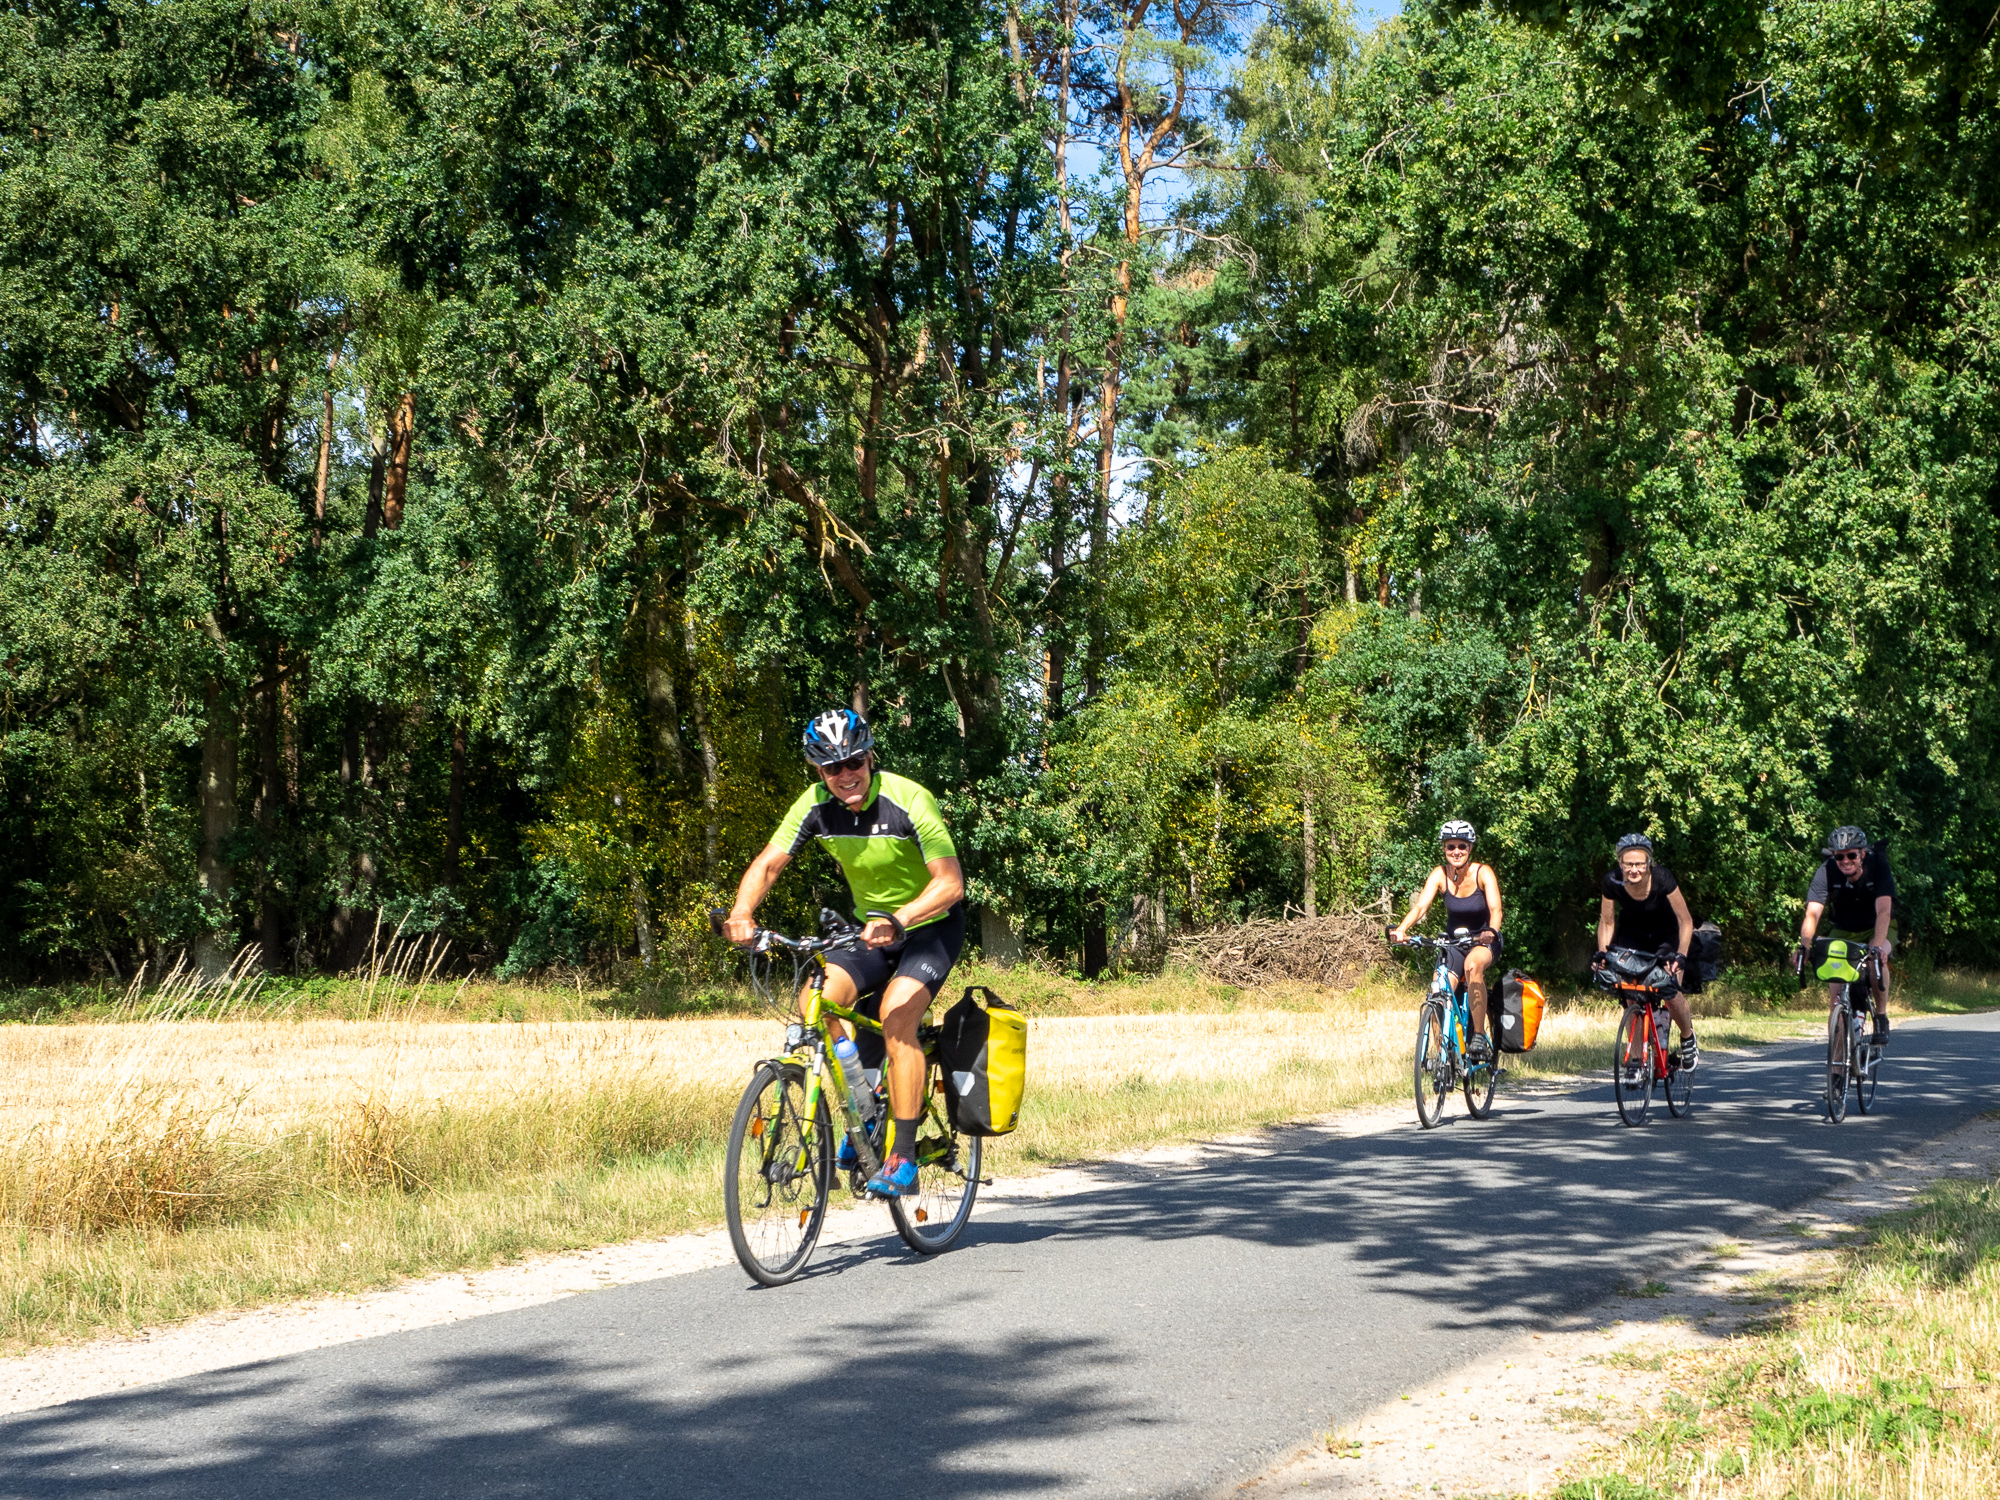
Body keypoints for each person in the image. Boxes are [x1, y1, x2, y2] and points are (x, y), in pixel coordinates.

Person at [723, 708, 965, 1198]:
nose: (845, 774)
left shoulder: (908, 799)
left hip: (930, 927)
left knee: (896, 1018)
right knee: (815, 1001)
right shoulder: (814, 805)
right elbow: (769, 865)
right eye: (832, 767)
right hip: (867, 929)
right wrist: (742, 912)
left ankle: (904, 1155)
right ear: (818, 770)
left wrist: (899, 918)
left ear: (870, 757)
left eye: (854, 761)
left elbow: (950, 884)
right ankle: (863, 1107)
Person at [1390, 820, 1505, 1062]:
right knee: (1438, 989)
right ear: (1444, 848)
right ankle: (1443, 1057)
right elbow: (1421, 906)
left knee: (1472, 966)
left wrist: (1491, 931)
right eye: (1450, 846)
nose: (1456, 851)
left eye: (1462, 846)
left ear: (1470, 848)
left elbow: (1496, 910)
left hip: (1483, 939)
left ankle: (1478, 1036)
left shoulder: (1483, 873)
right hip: (1454, 943)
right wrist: (1401, 929)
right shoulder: (1440, 874)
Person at [1595, 832, 1700, 1069]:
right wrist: (1602, 953)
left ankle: (1687, 1037)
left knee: (1670, 991)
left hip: (1665, 936)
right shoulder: (1611, 881)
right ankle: (1636, 1062)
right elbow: (1607, 921)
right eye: (1628, 864)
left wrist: (1681, 955)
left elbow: (1685, 921)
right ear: (1620, 863)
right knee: (1631, 994)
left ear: (1648, 863)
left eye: (1640, 864)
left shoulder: (1662, 878)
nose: (1634, 870)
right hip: (1632, 935)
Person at [1797, 825, 1894, 1048]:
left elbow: (1884, 911)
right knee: (1835, 1000)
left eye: (1851, 855)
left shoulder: (1878, 866)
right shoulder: (1826, 870)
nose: (1845, 861)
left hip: (1876, 926)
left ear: (1863, 853)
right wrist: (1804, 946)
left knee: (1877, 958)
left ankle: (1881, 1016)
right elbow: (1812, 913)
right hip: (1843, 927)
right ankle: (1837, 1064)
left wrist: (1878, 946)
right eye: (1839, 856)